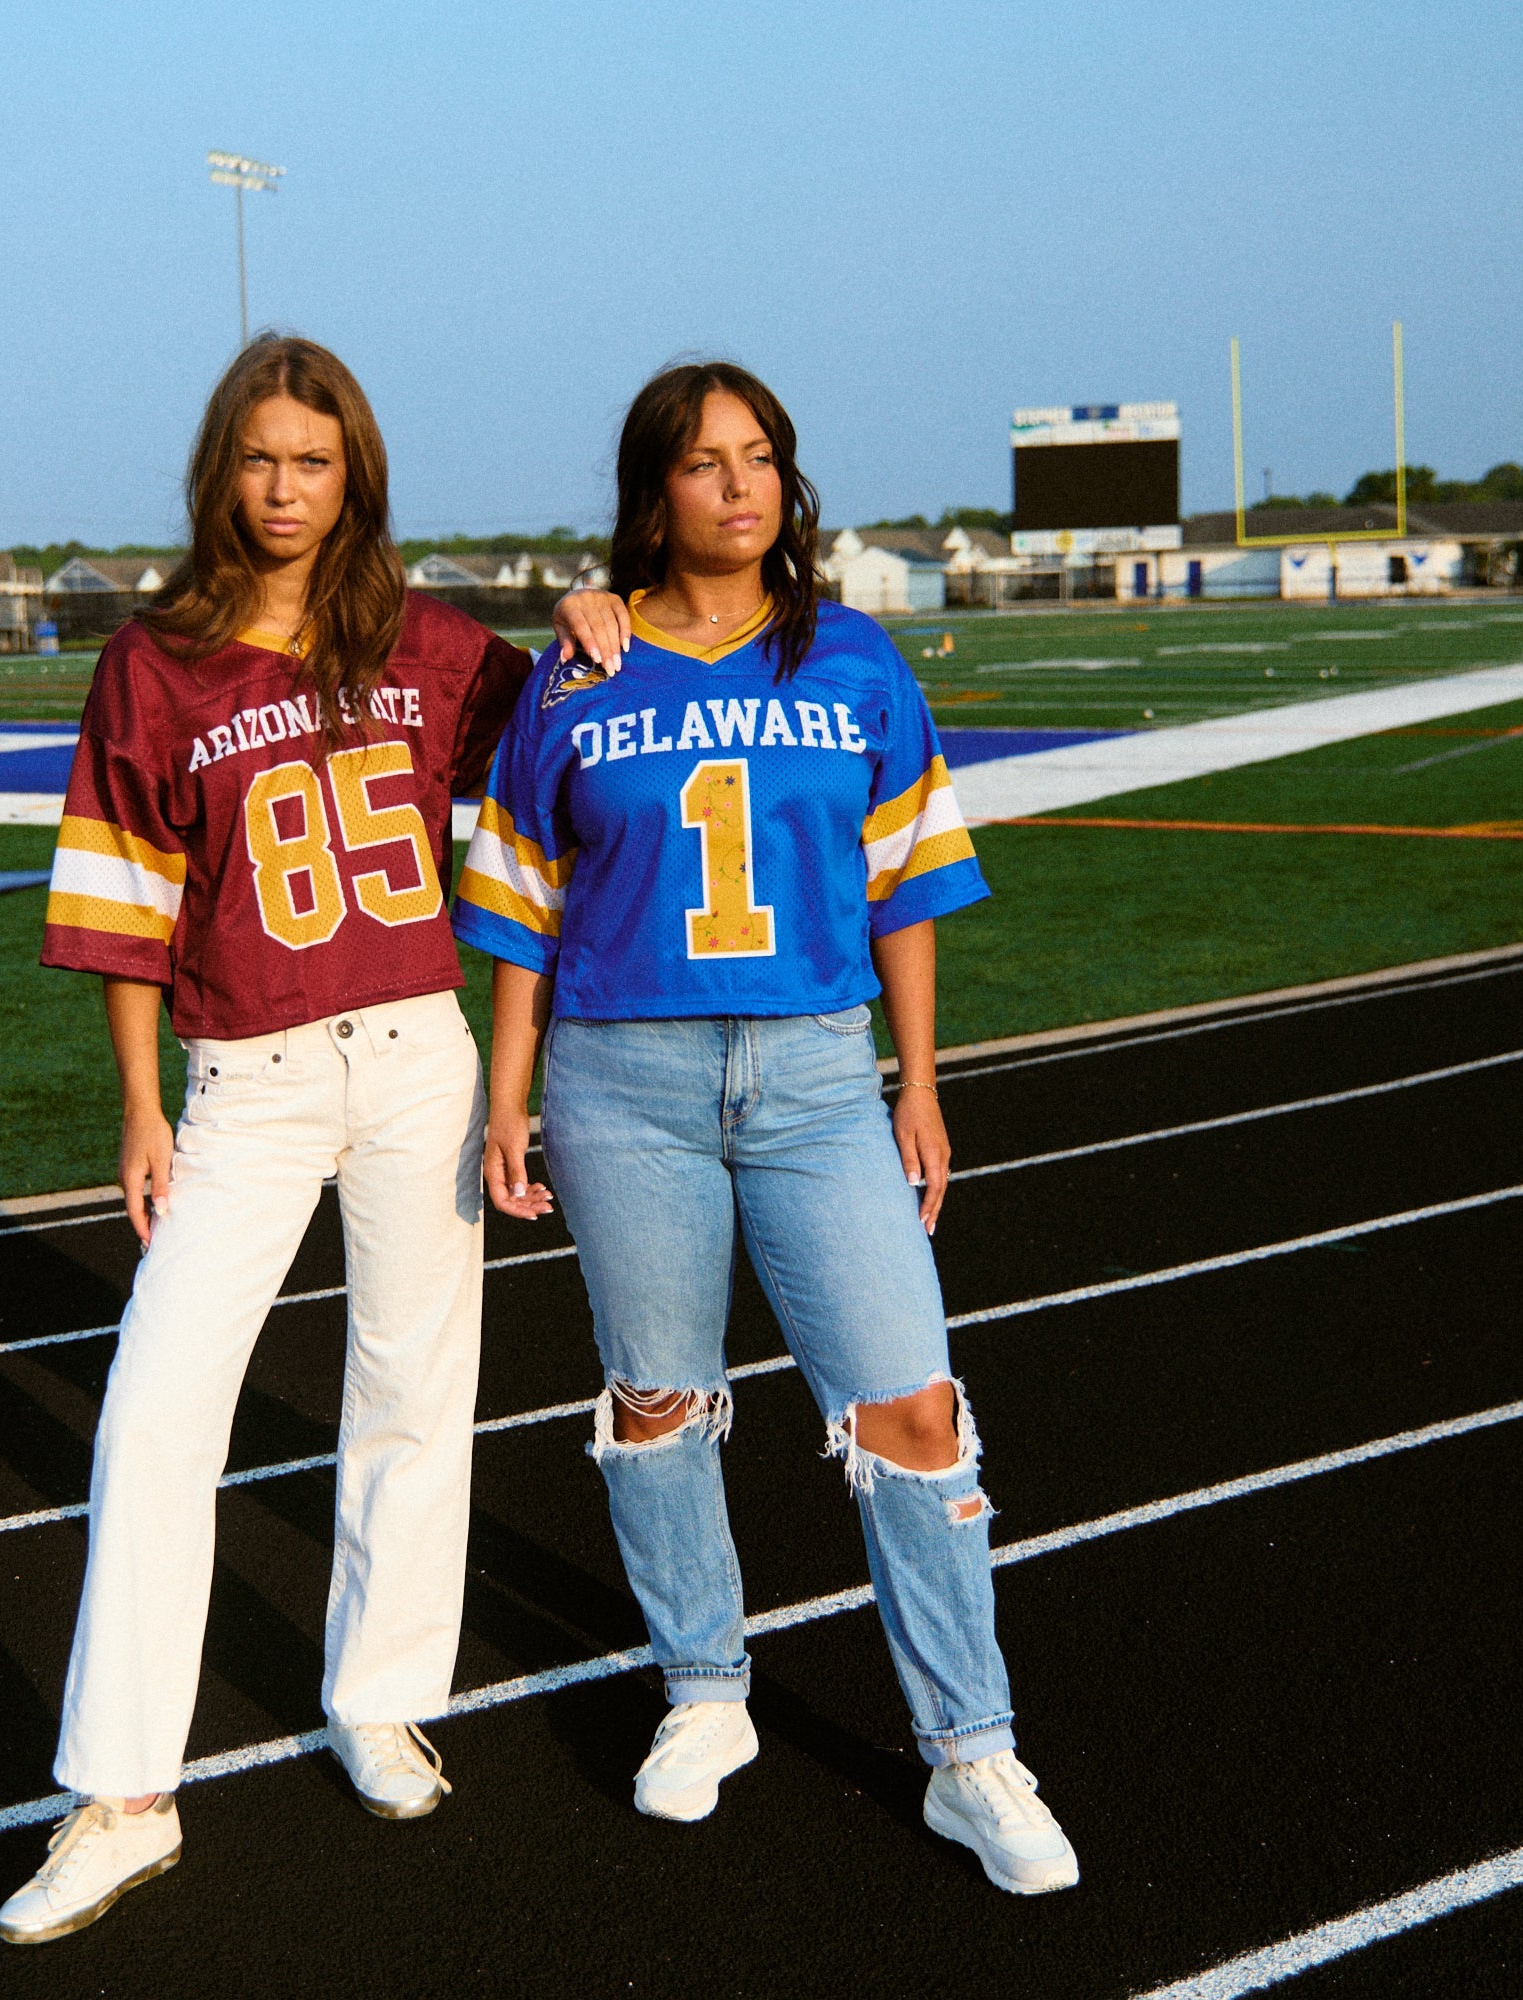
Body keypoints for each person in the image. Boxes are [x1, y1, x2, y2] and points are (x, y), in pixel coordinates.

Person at [0, 334, 614, 1943]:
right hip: (246, 1081)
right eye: (261, 459)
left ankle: (380, 1697)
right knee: (154, 1412)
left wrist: (584, 623)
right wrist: (136, 1100)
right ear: (223, 470)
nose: (286, 489)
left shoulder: (426, 644)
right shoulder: (155, 662)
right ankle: (124, 1791)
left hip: (417, 1051)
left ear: (359, 478)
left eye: (315, 462)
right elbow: (124, 903)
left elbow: (560, 742)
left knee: (416, 1390)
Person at [452, 361, 1080, 1895]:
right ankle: (705, 1690)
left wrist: (919, 1082)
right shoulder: (578, 675)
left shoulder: (855, 658)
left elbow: (908, 889)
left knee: (912, 1410)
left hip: (814, 1076)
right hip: (622, 1081)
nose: (736, 486)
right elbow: (525, 908)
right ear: (651, 491)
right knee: (658, 1400)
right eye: (701, 462)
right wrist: (506, 1092)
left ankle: (969, 1751)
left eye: (759, 459)